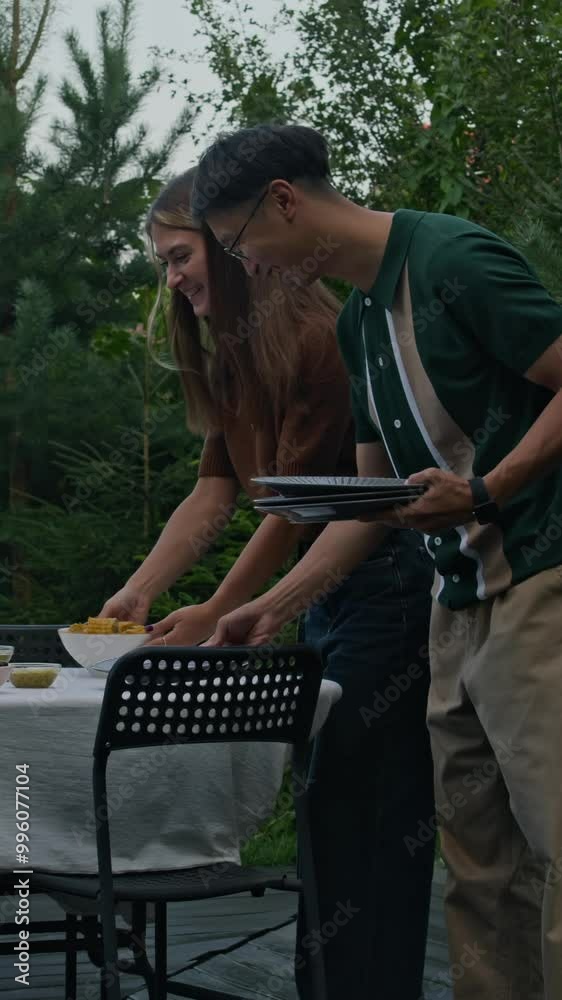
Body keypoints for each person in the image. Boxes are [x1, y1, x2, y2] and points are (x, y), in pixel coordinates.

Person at [192, 122, 562, 1000]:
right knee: (481, 876)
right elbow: (373, 506)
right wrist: (270, 609)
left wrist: (486, 491)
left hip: (540, 583)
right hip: (453, 606)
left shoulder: (452, 259)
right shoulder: (359, 323)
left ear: (286, 200)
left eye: (242, 246)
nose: (249, 270)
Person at [101, 168, 435, 1000]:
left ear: (227, 242)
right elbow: (218, 493)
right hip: (320, 598)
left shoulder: (317, 339)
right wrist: (137, 593)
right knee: (331, 805)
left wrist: (219, 606)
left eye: (180, 256)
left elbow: (288, 511)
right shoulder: (229, 356)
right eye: (163, 264)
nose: (172, 278)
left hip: (380, 583)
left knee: (368, 807)